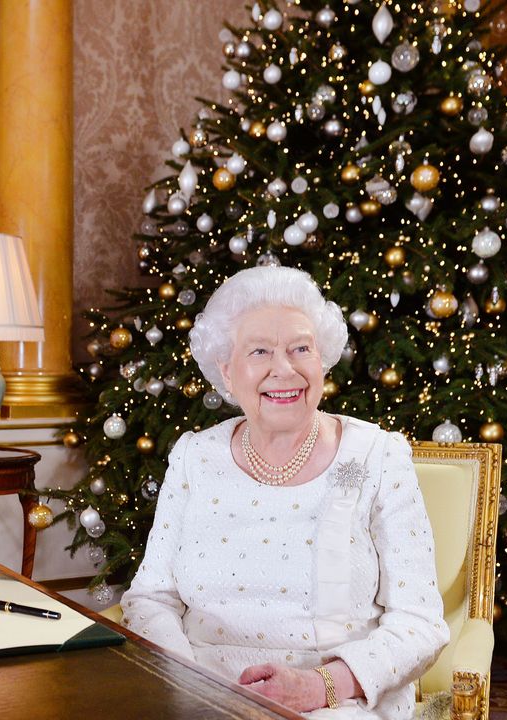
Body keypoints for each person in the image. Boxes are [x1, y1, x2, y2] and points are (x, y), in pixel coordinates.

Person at [120, 266, 448, 719]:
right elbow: (151, 598)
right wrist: (187, 684)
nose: (285, 369)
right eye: (260, 351)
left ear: (322, 360)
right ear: (227, 371)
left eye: (301, 349)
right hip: (197, 693)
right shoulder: (195, 457)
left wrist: (318, 687)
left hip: (333, 700)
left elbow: (420, 622)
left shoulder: (375, 456)